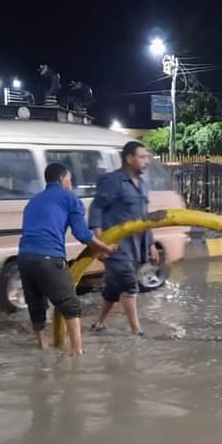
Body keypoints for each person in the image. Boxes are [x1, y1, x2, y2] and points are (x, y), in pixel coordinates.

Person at [18, 163, 116, 356]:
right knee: (70, 305)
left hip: (24, 258)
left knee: (35, 304)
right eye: (70, 180)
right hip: (49, 257)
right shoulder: (69, 198)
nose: (71, 184)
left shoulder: (33, 201)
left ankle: (43, 349)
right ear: (62, 179)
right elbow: (82, 234)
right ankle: (77, 353)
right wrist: (107, 248)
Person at [89, 141, 156, 338]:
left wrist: (151, 243)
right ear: (129, 159)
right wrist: (100, 242)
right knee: (129, 284)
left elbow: (145, 217)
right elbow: (96, 208)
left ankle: (98, 323)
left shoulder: (142, 185)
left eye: (147, 157)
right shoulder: (113, 181)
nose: (147, 161)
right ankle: (137, 331)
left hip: (136, 246)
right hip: (116, 247)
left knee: (113, 288)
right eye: (142, 157)